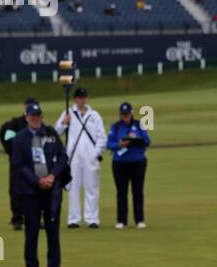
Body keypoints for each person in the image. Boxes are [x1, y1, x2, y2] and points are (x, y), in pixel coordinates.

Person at [10, 101, 70, 267]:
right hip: (30, 191)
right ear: (27, 117)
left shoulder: (51, 134)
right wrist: (37, 180)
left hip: (52, 190)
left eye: (38, 116)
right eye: (32, 116)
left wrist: (52, 176)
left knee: (53, 229)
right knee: (32, 230)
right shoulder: (20, 138)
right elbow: (18, 165)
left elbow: (62, 157)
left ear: (41, 117)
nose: (35, 119)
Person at [58, 87, 106, 229]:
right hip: (73, 157)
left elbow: (102, 137)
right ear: (75, 99)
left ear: (87, 98)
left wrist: (95, 153)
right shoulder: (68, 113)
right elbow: (55, 132)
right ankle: (74, 219)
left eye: (84, 97)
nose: (82, 100)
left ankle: (92, 218)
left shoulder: (94, 115)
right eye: (79, 97)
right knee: (73, 187)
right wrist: (63, 123)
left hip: (90, 157)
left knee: (92, 187)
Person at [107, 101, 150, 229]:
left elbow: (147, 141)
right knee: (121, 192)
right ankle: (122, 220)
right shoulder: (115, 127)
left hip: (137, 162)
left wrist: (135, 138)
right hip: (120, 163)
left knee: (137, 191)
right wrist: (120, 144)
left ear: (131, 113)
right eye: (123, 115)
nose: (125, 117)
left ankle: (139, 220)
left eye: (127, 114)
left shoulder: (139, 125)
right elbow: (109, 144)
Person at [0, 98, 35, 231]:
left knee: (35, 191)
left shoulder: (38, 124)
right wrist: (11, 152)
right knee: (16, 190)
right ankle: (17, 218)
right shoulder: (15, 123)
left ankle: (34, 217)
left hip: (34, 163)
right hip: (18, 163)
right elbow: (6, 136)